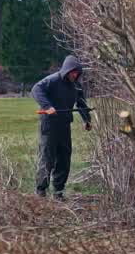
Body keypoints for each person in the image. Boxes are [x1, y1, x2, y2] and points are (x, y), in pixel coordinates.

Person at [30, 55, 92, 199]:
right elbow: (36, 89)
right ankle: (41, 190)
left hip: (65, 125)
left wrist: (86, 120)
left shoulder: (76, 85)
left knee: (64, 158)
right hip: (49, 125)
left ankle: (58, 191)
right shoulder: (52, 80)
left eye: (77, 73)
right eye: (73, 72)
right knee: (47, 157)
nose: (75, 75)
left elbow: (81, 104)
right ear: (66, 70)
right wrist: (47, 106)